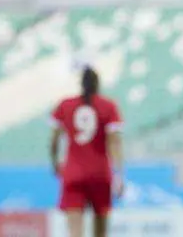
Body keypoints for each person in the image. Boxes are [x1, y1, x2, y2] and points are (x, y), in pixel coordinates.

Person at [50, 66, 124, 237]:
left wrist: (55, 163)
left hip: (73, 173)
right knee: (100, 232)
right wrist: (119, 173)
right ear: (98, 84)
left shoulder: (65, 105)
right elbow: (114, 142)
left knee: (75, 233)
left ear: (81, 84)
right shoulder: (109, 106)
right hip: (100, 173)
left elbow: (54, 141)